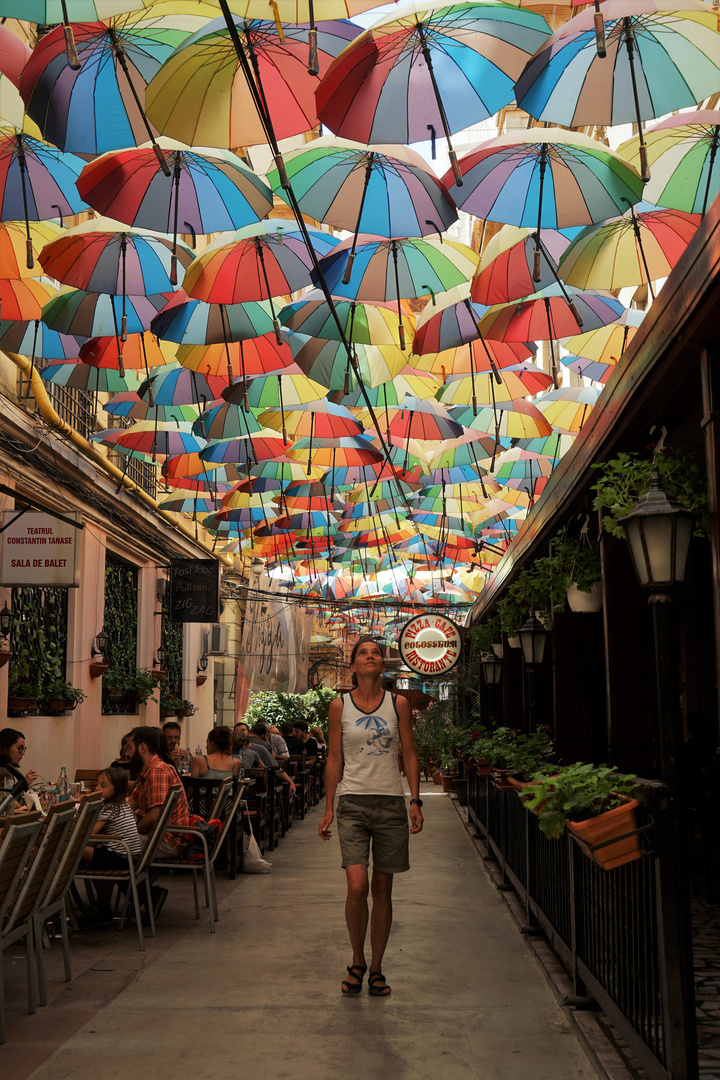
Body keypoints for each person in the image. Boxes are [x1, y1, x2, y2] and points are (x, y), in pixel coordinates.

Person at [319, 636, 423, 999]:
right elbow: (334, 758)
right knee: (357, 885)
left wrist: (415, 800)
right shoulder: (339, 706)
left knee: (382, 889)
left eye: (375, 653)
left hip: (391, 803)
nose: (369, 657)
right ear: (353, 665)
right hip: (352, 802)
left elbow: (409, 752)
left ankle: (376, 967)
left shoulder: (398, 704)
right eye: (362, 653)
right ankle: (357, 959)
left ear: (383, 665)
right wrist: (329, 806)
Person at [127, 726, 192, 859]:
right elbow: (130, 804)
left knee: (108, 846)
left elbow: (154, 818)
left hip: (166, 840)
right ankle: (133, 878)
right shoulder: (149, 770)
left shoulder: (158, 770)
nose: (126, 753)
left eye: (129, 747)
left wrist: (131, 831)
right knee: (106, 844)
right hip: (160, 836)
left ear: (142, 748)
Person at [82, 767, 142, 868]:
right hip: (131, 857)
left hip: (119, 858)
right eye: (98, 784)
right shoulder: (123, 805)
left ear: (117, 789)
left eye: (103, 785)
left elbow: (90, 835)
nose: (97, 788)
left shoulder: (110, 808)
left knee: (73, 849)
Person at [235, 722, 297, 798]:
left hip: (257, 790)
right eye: (237, 731)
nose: (240, 733)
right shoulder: (229, 751)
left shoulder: (259, 749)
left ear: (249, 732)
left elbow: (275, 767)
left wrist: (290, 782)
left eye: (243, 730)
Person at [0, 727, 38, 800]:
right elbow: (4, 800)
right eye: (19, 748)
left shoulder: (8, 769)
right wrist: (24, 783)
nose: (23, 753)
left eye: (23, 748)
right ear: (6, 747)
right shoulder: (2, 772)